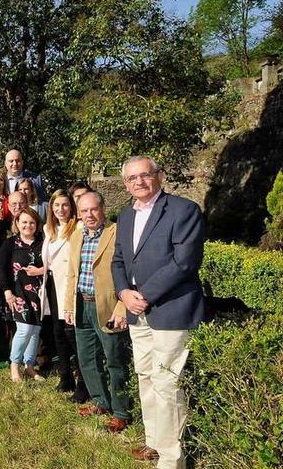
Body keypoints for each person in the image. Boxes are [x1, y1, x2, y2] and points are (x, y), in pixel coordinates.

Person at [112, 156, 206, 468]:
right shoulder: (125, 216)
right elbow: (119, 261)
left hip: (171, 310)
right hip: (137, 311)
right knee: (146, 377)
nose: (138, 182)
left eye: (144, 175)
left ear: (160, 176)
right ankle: (154, 443)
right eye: (131, 178)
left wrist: (144, 295)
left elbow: (184, 262)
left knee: (167, 383)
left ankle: (171, 458)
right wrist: (124, 293)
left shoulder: (184, 210)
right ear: (125, 184)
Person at [64, 191, 132, 433]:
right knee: (87, 359)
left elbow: (129, 272)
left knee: (115, 360)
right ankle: (101, 402)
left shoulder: (117, 233)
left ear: (103, 209)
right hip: (82, 305)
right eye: (84, 211)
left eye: (93, 209)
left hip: (109, 306)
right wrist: (69, 306)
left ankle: (121, 412)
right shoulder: (76, 234)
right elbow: (73, 273)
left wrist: (122, 306)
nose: (89, 215)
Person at [38, 190, 88, 402]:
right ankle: (65, 376)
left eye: (65, 205)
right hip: (52, 286)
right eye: (56, 205)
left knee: (72, 335)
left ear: (72, 207)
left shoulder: (78, 228)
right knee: (58, 333)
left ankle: (83, 383)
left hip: (69, 286)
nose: (61, 209)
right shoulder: (49, 229)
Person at [0, 208, 46, 382]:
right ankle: (14, 365)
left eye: (32, 222)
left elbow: (53, 262)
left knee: (35, 330)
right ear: (17, 223)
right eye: (24, 222)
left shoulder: (43, 241)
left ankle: (30, 366)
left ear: (37, 224)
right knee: (24, 329)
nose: (28, 225)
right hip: (18, 293)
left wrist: (41, 270)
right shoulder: (10, 243)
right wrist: (7, 292)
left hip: (40, 293)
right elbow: (2, 269)